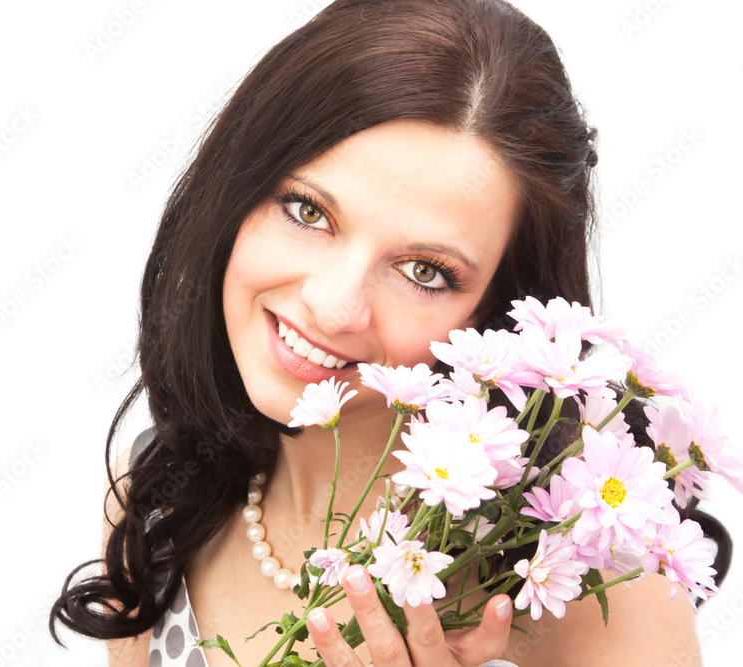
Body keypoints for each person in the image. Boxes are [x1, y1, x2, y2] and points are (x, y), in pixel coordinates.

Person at [52, 1, 730, 665]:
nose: (334, 306)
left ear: (500, 309)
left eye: (424, 270)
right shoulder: (158, 499)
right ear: (233, 190)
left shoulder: (581, 575)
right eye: (306, 210)